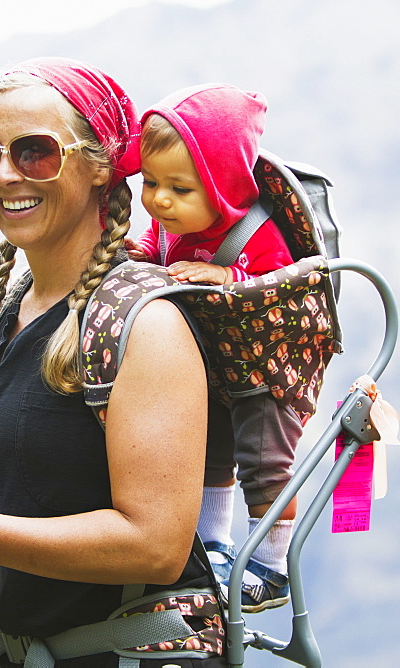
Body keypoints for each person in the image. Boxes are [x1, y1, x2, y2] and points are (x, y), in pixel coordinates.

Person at [0, 57, 224, 667]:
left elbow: (153, 544)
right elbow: (35, 487)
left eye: (34, 152)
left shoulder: (145, 322)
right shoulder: (10, 315)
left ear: (101, 162)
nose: (2, 175)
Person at [125, 84, 302, 613]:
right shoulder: (172, 224)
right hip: (218, 368)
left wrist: (225, 274)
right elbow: (159, 250)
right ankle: (215, 548)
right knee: (210, 454)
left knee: (264, 463)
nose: (159, 200)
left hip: (268, 371)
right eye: (151, 183)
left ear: (223, 188)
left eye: (179, 189)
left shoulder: (256, 232)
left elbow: (279, 281)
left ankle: (271, 569)